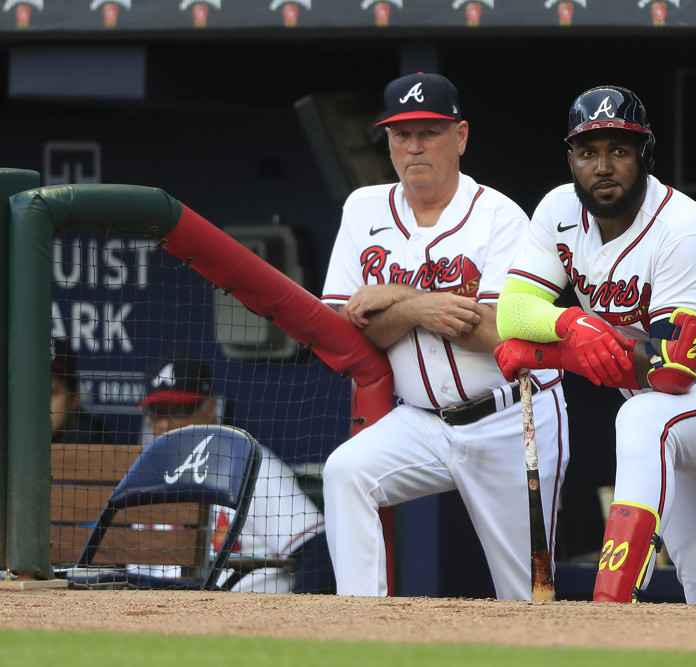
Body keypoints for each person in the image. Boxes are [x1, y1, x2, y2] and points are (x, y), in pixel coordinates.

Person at [493, 86, 696, 605]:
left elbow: (671, 371)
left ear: (644, 156)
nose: (603, 166)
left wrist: (546, 353)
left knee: (644, 417)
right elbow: (512, 311)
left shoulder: (683, 228)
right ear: (571, 159)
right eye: (588, 152)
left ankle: (609, 603)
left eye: (619, 151)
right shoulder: (558, 211)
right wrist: (575, 326)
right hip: (684, 417)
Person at [320, 72, 569, 600]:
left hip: (510, 417)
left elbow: (492, 330)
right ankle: (358, 633)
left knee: (526, 596)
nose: (413, 147)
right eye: (400, 134)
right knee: (347, 472)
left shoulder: (500, 216)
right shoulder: (363, 209)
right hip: (420, 423)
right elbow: (347, 330)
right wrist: (420, 306)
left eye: (429, 132)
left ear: (460, 137)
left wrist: (394, 298)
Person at [137, 355, 333, 594]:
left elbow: (318, 553)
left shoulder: (252, 466)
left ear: (211, 408)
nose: (165, 424)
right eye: (156, 413)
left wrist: (297, 621)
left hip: (246, 614)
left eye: (178, 410)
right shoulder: (143, 477)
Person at [50, 337, 116, 445]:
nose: (39, 407)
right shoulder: (13, 443)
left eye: (50, 393)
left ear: (74, 399)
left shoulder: (95, 449)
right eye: (29, 394)